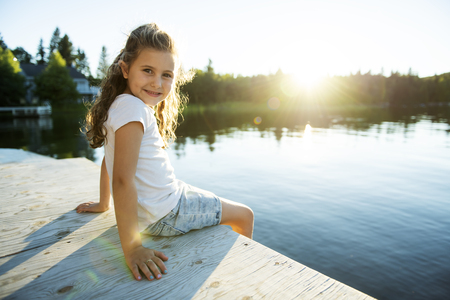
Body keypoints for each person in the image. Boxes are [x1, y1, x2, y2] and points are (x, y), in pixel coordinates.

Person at [75, 23, 254, 282]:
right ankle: (242, 278)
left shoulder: (122, 106)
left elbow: (109, 160)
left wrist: (104, 204)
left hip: (162, 204)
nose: (157, 83)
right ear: (125, 69)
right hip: (167, 213)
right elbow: (122, 179)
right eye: (148, 70)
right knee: (244, 215)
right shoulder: (134, 111)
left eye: (167, 75)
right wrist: (133, 248)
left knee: (202, 195)